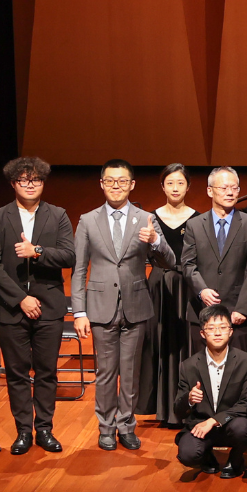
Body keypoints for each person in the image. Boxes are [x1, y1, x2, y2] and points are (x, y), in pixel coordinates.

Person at [71, 159, 176, 451]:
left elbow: (170, 261)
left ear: (131, 185)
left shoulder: (146, 218)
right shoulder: (87, 220)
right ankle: (105, 428)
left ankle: (126, 425)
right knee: (105, 373)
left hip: (136, 306)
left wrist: (155, 241)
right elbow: (79, 270)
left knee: (130, 372)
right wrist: (79, 312)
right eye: (110, 181)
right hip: (100, 307)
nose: (116, 186)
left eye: (122, 181)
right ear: (102, 184)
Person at [0, 156, 75, 454]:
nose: (30, 185)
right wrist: (21, 298)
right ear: (13, 183)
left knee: (47, 372)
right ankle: (23, 430)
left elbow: (69, 256)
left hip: (49, 306)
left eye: (35, 179)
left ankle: (44, 429)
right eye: (24, 180)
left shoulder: (58, 214)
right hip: (12, 308)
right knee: (18, 373)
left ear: (43, 182)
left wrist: (36, 251)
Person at [181, 166, 247, 353]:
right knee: (202, 371)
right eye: (224, 188)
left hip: (236, 313)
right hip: (202, 311)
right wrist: (201, 290)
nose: (230, 193)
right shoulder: (194, 225)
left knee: (237, 371)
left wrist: (242, 308)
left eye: (235, 188)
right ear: (210, 191)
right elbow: (188, 264)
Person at [144, 163, 201, 427]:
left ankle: (185, 407)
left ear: (188, 187)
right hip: (158, 285)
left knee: (185, 344)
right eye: (170, 183)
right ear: (162, 187)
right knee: (159, 341)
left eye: (180, 183)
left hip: (187, 285)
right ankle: (160, 407)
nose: (175, 188)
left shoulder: (198, 218)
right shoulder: (150, 218)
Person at [174, 303, 247, 479]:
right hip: (200, 426)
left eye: (222, 327)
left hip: (231, 424)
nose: (218, 333)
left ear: (231, 331)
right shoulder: (188, 365)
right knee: (187, 454)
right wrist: (188, 399)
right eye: (211, 328)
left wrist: (214, 421)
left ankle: (235, 459)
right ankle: (206, 456)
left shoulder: (246, 361)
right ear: (202, 333)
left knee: (243, 428)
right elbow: (178, 410)